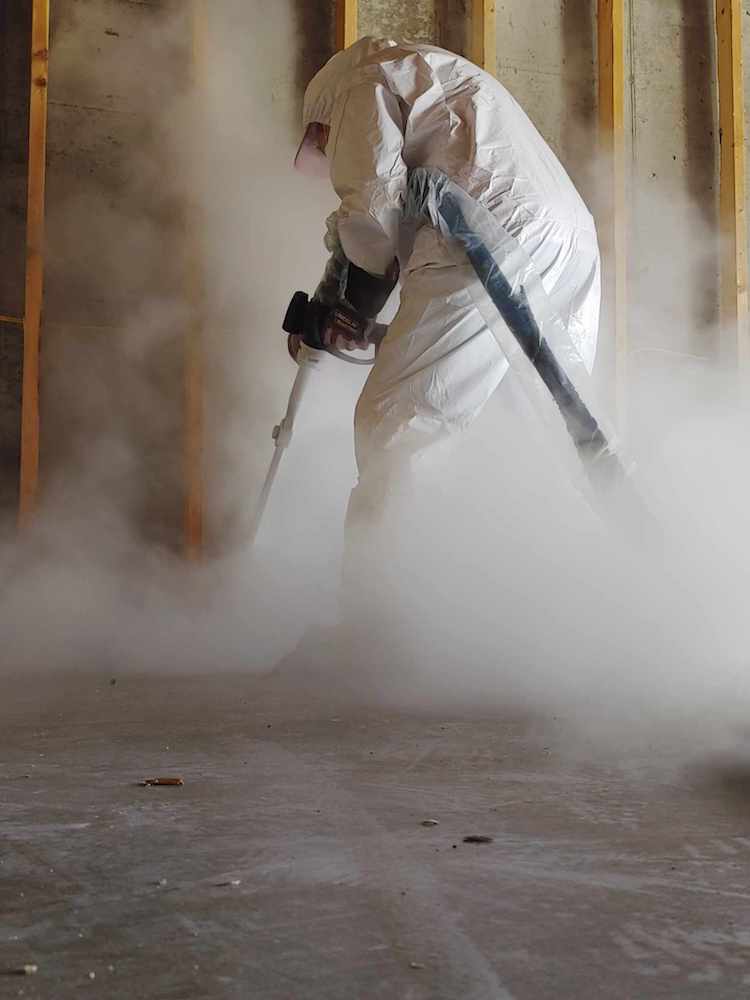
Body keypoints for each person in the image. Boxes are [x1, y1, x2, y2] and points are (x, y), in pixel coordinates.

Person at [292, 36, 601, 534]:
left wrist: (349, 302)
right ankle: (553, 588)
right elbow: (403, 204)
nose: (327, 155)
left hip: (489, 230)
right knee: (542, 429)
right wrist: (360, 303)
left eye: (322, 145)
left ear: (319, 120)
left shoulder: (353, 85)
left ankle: (381, 607)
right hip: (566, 236)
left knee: (399, 423)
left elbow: (373, 209)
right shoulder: (419, 70)